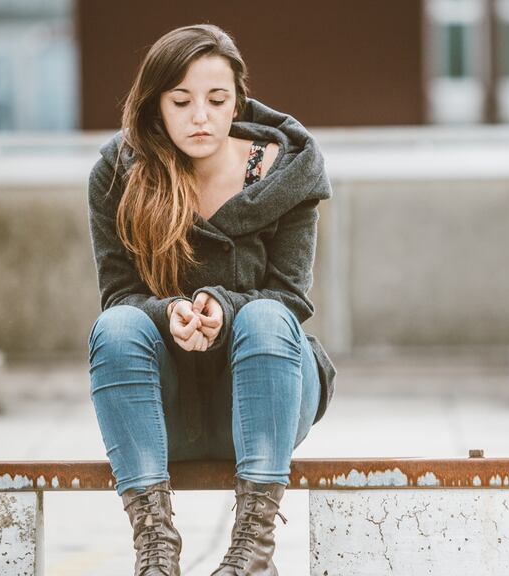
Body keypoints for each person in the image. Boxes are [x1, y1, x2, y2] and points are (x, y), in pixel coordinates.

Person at [85, 23, 336, 576]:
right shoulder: (118, 174)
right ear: (156, 105)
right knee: (117, 327)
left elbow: (290, 299)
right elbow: (120, 296)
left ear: (237, 101)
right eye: (182, 101)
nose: (200, 116)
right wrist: (168, 311)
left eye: (216, 100)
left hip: (268, 392)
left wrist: (221, 308)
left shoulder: (286, 171)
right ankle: (154, 546)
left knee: (268, 316)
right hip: (166, 407)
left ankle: (254, 548)